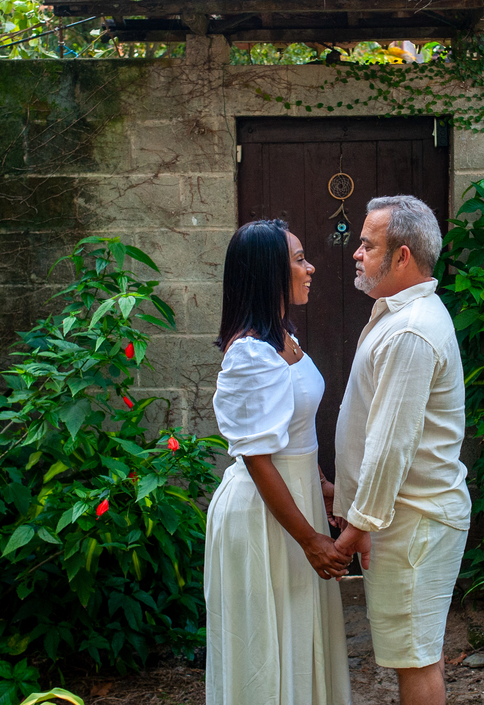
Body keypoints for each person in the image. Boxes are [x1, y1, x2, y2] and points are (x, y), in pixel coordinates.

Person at [204, 219, 353, 705]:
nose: (310, 268)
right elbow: (257, 458)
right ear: (269, 273)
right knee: (268, 645)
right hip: (266, 519)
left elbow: (296, 437)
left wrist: (326, 489)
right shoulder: (249, 353)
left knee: (301, 636)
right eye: (299, 259)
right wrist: (311, 539)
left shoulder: (284, 336)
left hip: (297, 503)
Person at [333, 196, 469, 705]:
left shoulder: (411, 328)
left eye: (367, 245)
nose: (356, 253)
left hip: (415, 522)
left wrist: (352, 530)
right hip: (403, 519)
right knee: (411, 656)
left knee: (415, 660)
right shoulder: (400, 316)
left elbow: (392, 447)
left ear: (403, 256)